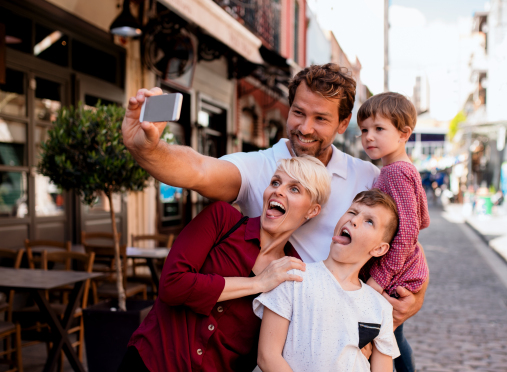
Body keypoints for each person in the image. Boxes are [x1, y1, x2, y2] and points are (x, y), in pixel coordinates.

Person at [122, 63, 428, 368]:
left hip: (353, 335)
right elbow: (199, 170)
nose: (305, 128)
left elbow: (405, 240)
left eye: (320, 118)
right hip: (284, 341)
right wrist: (149, 149)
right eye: (298, 113)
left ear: (343, 122)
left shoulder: (367, 176)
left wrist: (416, 295)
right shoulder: (262, 166)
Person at [120, 156, 331, 372]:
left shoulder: (292, 274)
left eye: (294, 189)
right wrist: (258, 284)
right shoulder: (222, 219)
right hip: (151, 362)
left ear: (312, 211)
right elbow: (172, 286)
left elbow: (271, 348)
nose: (278, 191)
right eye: (275, 182)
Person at [254, 190, 401, 372]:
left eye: (369, 221)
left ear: (379, 248)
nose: (353, 220)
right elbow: (268, 356)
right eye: (352, 212)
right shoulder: (293, 278)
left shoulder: (380, 307)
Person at [357, 92, 430, 371]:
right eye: (364, 130)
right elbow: (422, 218)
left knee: (387, 341)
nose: (369, 137)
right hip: (397, 267)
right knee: (389, 337)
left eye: (379, 129)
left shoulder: (396, 172)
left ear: (404, 134)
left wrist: (379, 277)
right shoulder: (395, 169)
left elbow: (410, 229)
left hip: (393, 272)